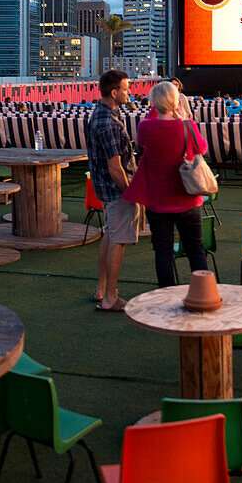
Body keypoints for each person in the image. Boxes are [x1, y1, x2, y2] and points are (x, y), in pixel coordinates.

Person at [123, 80, 209, 288]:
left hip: (158, 202)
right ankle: (203, 293)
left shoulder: (146, 127)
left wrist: (157, 111)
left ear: (153, 102)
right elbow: (202, 149)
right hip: (187, 198)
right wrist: (180, 115)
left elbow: (143, 141)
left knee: (163, 252)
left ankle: (166, 295)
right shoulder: (187, 126)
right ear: (176, 100)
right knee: (195, 249)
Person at [87, 70, 141, 311]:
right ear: (114, 92)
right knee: (118, 240)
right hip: (116, 190)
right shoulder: (108, 122)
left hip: (104, 190)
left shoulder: (100, 114)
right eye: (126, 88)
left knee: (109, 235)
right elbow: (115, 167)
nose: (130, 92)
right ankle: (111, 297)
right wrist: (131, 194)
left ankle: (101, 290)